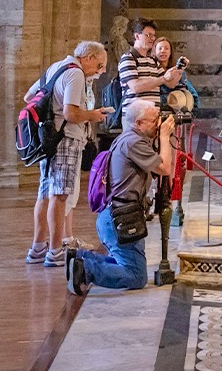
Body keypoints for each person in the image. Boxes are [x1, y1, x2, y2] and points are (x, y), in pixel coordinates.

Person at [67, 100, 174, 294]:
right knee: (136, 276)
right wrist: (165, 137)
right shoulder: (133, 142)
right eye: (155, 120)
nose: (159, 123)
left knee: (123, 262)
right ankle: (85, 269)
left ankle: (80, 257)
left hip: (114, 215)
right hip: (121, 219)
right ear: (139, 123)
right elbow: (165, 168)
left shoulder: (127, 138)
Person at [26, 41, 111, 267]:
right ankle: (55, 251)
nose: (99, 71)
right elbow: (71, 113)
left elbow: (29, 97)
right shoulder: (76, 74)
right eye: (99, 65)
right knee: (59, 195)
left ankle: (38, 247)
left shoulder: (56, 68)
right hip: (66, 139)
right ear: (89, 57)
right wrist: (93, 115)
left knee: (45, 194)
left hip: (49, 140)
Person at [117, 19, 183, 124]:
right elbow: (136, 87)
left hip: (153, 117)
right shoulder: (128, 58)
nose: (152, 39)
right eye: (148, 35)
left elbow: (171, 84)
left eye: (153, 36)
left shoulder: (153, 61)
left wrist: (180, 70)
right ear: (137, 36)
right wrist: (163, 78)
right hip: (136, 119)